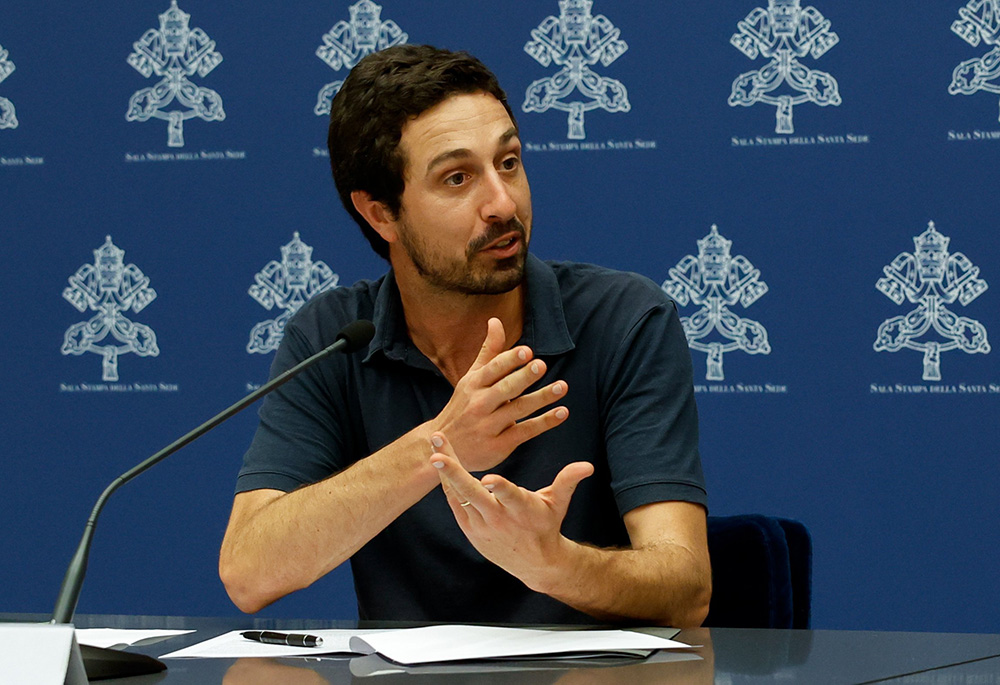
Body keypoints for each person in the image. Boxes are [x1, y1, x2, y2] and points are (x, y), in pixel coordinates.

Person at [219, 44, 710, 627]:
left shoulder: (625, 319)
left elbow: (686, 588)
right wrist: (437, 446)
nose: (503, 203)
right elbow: (249, 574)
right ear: (381, 214)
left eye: (509, 162)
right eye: (457, 178)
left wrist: (553, 563)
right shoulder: (333, 337)